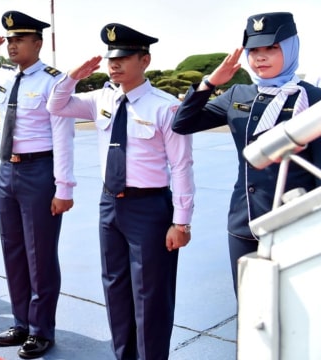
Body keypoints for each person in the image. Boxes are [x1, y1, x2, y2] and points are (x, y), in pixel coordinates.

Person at [47, 23, 195, 360]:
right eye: (111, 58)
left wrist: (181, 221)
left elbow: (182, 166)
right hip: (110, 204)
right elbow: (56, 105)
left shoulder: (165, 106)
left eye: (124, 57)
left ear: (144, 60)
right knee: (115, 288)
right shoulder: (102, 97)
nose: (114, 64)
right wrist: (71, 76)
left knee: (151, 296)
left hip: (150, 208)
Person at [0, 10, 76, 359]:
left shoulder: (55, 80)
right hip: (7, 170)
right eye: (8, 40)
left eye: (19, 39)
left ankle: (41, 330)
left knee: (40, 254)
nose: (11, 45)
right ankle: (22, 321)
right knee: (13, 250)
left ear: (38, 42)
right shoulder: (1, 77)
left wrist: (63, 186)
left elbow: (63, 136)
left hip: (40, 171)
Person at [172, 12, 321, 295]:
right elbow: (182, 124)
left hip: (296, 221)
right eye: (254, 51)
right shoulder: (238, 94)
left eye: (271, 48)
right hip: (244, 221)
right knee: (251, 308)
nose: (260, 57)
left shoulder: (312, 98)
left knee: (298, 309)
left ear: (290, 49)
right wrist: (209, 83)